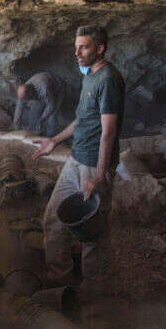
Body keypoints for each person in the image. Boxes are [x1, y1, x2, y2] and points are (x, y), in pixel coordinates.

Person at [32, 26, 125, 301]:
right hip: (75, 160)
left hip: (92, 166)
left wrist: (98, 175)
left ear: (100, 48)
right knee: (53, 218)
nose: (77, 53)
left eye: (84, 47)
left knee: (92, 233)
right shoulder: (90, 76)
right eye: (77, 47)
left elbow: (108, 132)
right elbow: (83, 120)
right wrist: (55, 141)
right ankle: (60, 281)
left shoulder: (108, 79)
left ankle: (94, 297)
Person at [13, 71, 66, 137]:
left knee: (52, 116)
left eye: (27, 98)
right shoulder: (24, 91)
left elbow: (51, 106)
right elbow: (19, 108)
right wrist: (16, 127)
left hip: (57, 89)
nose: (26, 100)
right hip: (41, 92)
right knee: (34, 113)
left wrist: (41, 120)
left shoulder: (43, 89)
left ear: (30, 93)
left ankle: (50, 138)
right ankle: (35, 135)